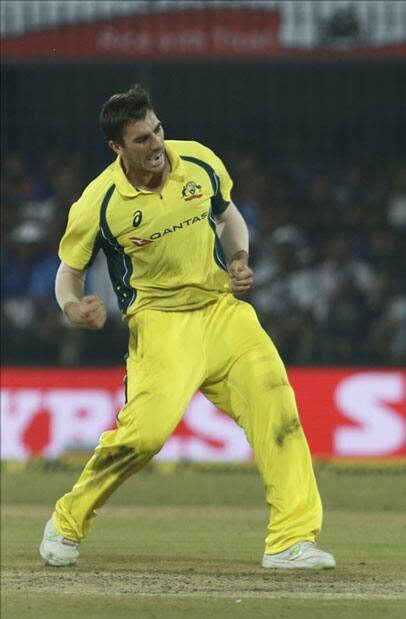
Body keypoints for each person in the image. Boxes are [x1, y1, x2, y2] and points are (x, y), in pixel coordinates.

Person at [38, 85, 335, 570]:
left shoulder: (197, 161)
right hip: (160, 324)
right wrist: (72, 307)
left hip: (223, 311)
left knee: (278, 410)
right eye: (141, 139)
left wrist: (239, 257)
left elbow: (230, 217)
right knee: (144, 437)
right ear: (117, 148)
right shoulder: (99, 202)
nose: (157, 145)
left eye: (157, 130)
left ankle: (291, 540)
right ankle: (67, 520)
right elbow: (67, 273)